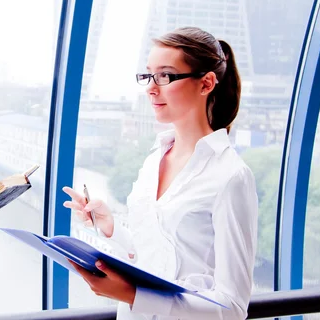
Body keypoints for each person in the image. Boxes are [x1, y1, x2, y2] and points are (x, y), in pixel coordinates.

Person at [63, 27, 258, 320]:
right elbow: (158, 255)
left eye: (165, 76)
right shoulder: (154, 159)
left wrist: (132, 295)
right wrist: (111, 228)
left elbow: (232, 307)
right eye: (148, 75)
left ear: (206, 84)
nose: (151, 88)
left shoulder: (231, 177)